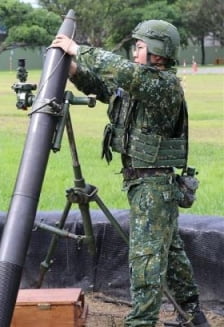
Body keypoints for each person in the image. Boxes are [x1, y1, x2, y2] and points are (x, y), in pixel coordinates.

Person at [51, 20, 210, 327]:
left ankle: (142, 321)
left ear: (158, 54)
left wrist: (77, 49)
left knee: (146, 259)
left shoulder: (162, 85)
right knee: (171, 252)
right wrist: (73, 70)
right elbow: (105, 87)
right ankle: (192, 315)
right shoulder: (140, 85)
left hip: (154, 185)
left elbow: (121, 71)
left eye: (140, 47)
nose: (134, 52)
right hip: (144, 183)